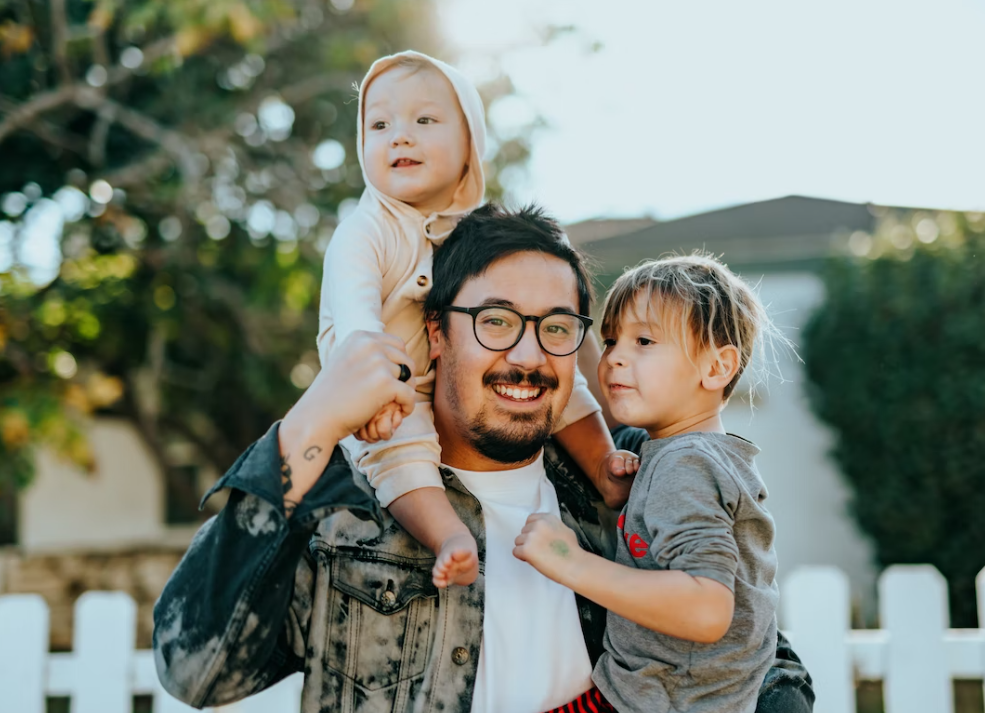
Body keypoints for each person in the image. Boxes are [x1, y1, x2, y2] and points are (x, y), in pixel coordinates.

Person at [153, 204, 814, 713]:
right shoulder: (342, 503)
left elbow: (757, 649)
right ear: (436, 332)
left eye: (555, 328)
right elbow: (195, 668)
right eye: (496, 321)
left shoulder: (624, 476)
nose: (527, 356)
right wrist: (311, 421)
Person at [316, 50, 635, 589]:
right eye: (379, 124)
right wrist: (376, 394)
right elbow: (356, 323)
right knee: (401, 455)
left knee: (564, 381)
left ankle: (604, 467)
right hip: (384, 390)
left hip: (438, 379)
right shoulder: (366, 230)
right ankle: (449, 536)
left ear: (470, 146)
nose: (400, 136)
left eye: (424, 120)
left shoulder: (477, 235)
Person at [515, 254, 788, 712]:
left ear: (717, 367)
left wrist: (568, 562)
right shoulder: (698, 456)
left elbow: (706, 608)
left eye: (643, 340)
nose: (615, 357)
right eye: (609, 340)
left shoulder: (684, 464)